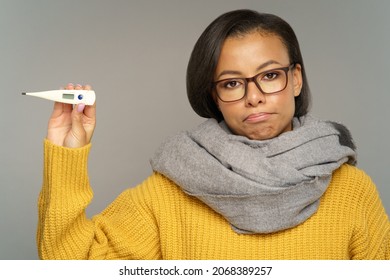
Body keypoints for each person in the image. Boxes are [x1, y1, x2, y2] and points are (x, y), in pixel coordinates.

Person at [37, 9, 389, 260]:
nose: (254, 96)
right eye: (232, 83)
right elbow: (71, 266)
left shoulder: (351, 192)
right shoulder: (169, 193)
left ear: (295, 79)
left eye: (269, 76)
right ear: (214, 97)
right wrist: (67, 155)